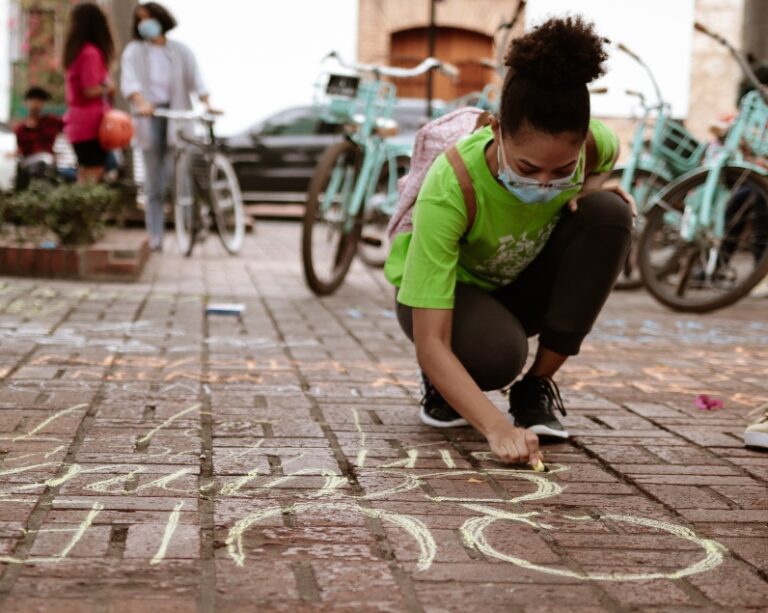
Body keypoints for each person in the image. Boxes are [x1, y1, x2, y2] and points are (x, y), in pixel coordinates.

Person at [384, 17, 635, 466]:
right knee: (497, 357)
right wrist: (496, 428)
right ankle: (443, 386)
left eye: (561, 171)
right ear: (497, 132)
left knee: (610, 214)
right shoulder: (452, 182)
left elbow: (603, 159)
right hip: (446, 298)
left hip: (514, 280)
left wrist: (590, 183)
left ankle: (534, 387)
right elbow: (431, 340)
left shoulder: (594, 145)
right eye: (526, 167)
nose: (542, 183)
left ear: (581, 143)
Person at [121, 2, 216, 252]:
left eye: (148, 18)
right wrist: (141, 103)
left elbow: (197, 81)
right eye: (140, 20)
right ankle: (155, 237)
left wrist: (208, 103)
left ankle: (190, 226)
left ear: (161, 19)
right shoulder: (134, 51)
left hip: (177, 116)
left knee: (181, 179)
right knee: (154, 184)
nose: (144, 24)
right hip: (150, 117)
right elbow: (130, 82)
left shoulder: (181, 51)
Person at [62, 2, 116, 184]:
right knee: (92, 177)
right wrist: (109, 88)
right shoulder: (90, 53)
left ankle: (80, 211)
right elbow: (90, 90)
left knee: (86, 176)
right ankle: (83, 213)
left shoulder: (78, 52)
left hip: (79, 124)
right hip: (90, 125)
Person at [13, 86, 64, 189]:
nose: (36, 104)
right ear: (26, 102)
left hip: (48, 161)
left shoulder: (51, 122)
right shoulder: (20, 129)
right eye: (33, 101)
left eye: (40, 101)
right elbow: (20, 151)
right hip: (28, 163)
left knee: (44, 166)